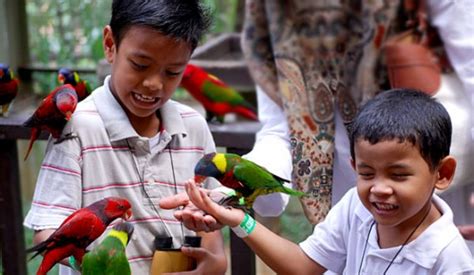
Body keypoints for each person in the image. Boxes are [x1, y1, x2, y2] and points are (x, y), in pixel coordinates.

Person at [162, 89, 474, 274]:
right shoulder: (355, 205)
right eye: (366, 173)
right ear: (353, 166)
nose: (379, 187)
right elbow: (302, 266)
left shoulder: (449, 258)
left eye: (399, 174)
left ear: (442, 173)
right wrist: (239, 220)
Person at [23, 1, 227, 274]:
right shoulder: (77, 127)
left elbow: (208, 222)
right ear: (110, 44)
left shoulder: (194, 127)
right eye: (140, 65)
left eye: (173, 72)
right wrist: (90, 265)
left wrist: (213, 262)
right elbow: (46, 231)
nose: (154, 83)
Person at [240, 0, 474, 228]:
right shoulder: (272, 9)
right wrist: (247, 178)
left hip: (438, 189)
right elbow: (281, 125)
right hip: (348, 199)